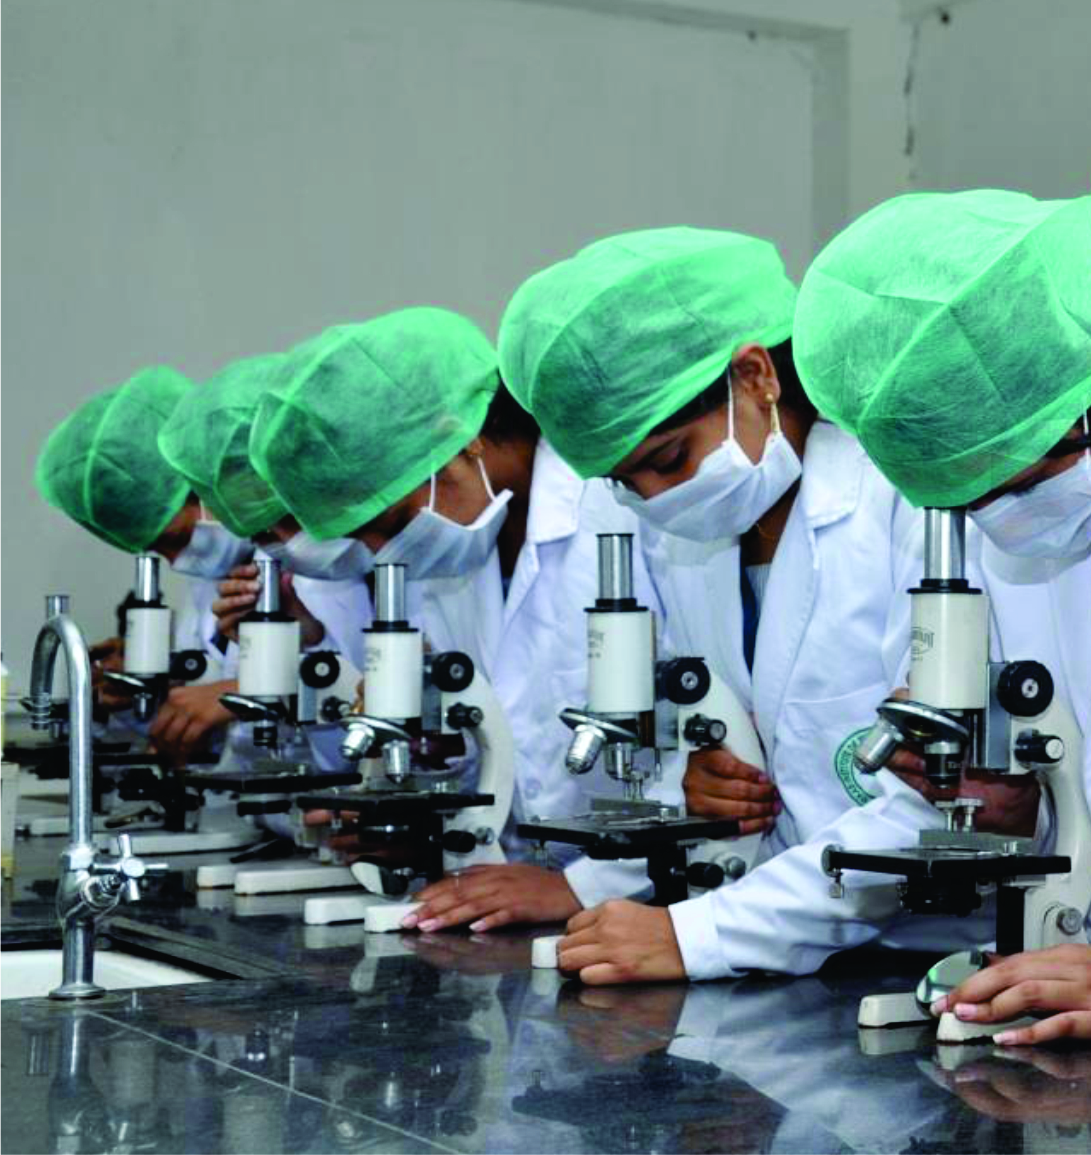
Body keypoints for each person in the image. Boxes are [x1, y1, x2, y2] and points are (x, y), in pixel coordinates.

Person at [793, 189, 1091, 1042]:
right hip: (1090, 974)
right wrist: (1012, 807)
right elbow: (1090, 800)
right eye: (974, 495)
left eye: (1025, 475)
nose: (1008, 514)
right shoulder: (987, 531)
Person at [405, 226, 900, 941]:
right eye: (624, 483)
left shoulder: (893, 505)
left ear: (756, 376)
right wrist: (695, 784)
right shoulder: (688, 539)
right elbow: (710, 737)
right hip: (778, 925)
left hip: (924, 935)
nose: (658, 500)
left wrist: (691, 935)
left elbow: (932, 798)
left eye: (668, 459)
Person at [248, 305, 637, 839]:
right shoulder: (451, 556)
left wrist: (580, 879)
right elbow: (509, 755)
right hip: (534, 862)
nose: (384, 555)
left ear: (459, 438)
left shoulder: (615, 515)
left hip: (633, 874)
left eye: (391, 523)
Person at [148, 351, 374, 765]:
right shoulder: (266, 572)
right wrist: (304, 642)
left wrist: (251, 687)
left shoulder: (375, 562)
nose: (283, 542)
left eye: (285, 518)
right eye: (261, 532)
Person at [35, 366, 235, 745]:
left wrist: (241, 691)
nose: (176, 561)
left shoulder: (318, 560)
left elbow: (345, 681)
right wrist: (149, 685)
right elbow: (209, 721)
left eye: (175, 539)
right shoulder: (208, 583)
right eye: (154, 549)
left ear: (203, 478)